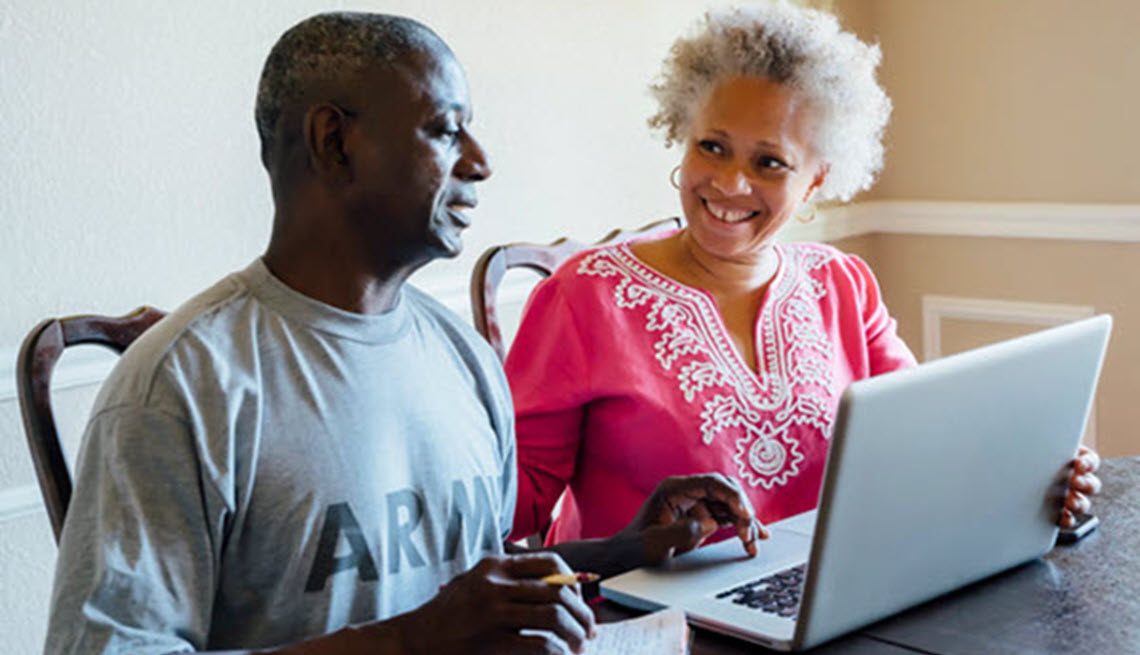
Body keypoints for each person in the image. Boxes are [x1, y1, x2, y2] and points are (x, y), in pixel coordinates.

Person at [42, 13, 763, 655]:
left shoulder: (466, 360)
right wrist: (411, 640)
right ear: (334, 141)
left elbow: (457, 581)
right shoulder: (182, 387)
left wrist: (623, 548)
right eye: (446, 130)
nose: (480, 162)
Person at [506, 2, 1101, 546]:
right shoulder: (583, 296)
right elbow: (511, 507)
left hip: (823, 600)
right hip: (639, 617)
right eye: (712, 146)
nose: (730, 183)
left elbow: (927, 442)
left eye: (769, 162)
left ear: (816, 179)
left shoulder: (842, 286)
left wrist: (1035, 475)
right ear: (682, 136)